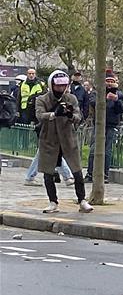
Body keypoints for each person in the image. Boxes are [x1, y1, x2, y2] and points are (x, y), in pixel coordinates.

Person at [34, 71, 92, 214]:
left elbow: (78, 116)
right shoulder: (42, 99)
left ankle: (82, 200)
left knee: (77, 171)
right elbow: (39, 115)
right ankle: (53, 202)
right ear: (51, 85)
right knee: (48, 173)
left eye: (63, 86)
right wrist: (54, 114)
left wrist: (70, 114)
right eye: (58, 86)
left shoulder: (71, 98)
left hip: (68, 139)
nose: (61, 88)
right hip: (49, 139)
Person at [86, 71, 123, 183]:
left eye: (111, 81)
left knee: (107, 150)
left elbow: (122, 109)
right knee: (94, 149)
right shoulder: (97, 92)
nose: (109, 83)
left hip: (111, 124)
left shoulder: (119, 94)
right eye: (107, 81)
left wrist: (116, 100)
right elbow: (93, 102)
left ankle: (105, 174)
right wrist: (104, 98)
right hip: (98, 124)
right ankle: (90, 173)